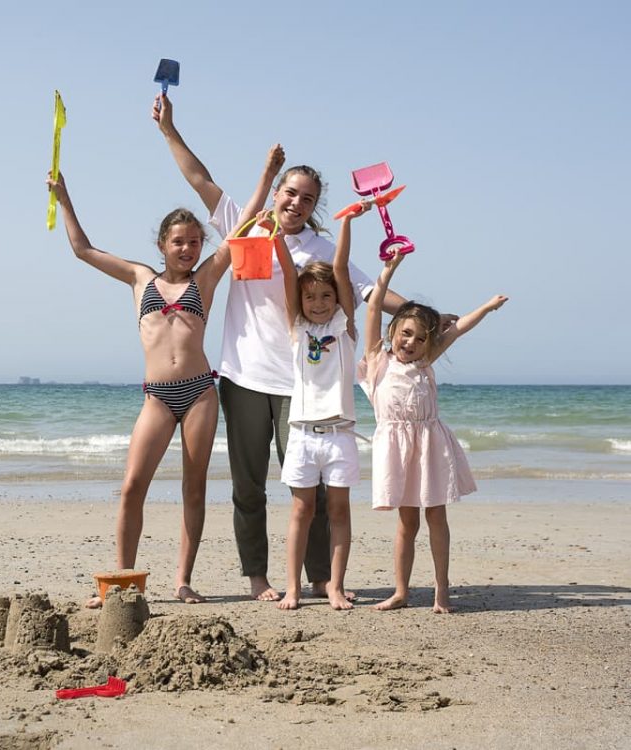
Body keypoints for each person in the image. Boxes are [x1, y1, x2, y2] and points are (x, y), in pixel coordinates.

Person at [152, 93, 408, 601]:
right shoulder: (242, 224)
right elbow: (199, 179)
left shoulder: (318, 249)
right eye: (290, 192)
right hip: (243, 376)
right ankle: (258, 577)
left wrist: (417, 311)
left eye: (307, 198)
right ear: (276, 192)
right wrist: (169, 131)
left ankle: (318, 576)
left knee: (307, 486)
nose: (295, 203)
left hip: (301, 385)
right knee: (248, 486)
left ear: (316, 207)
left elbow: (366, 291)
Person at [46, 143, 285, 606]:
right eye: (178, 242)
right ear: (162, 245)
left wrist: (267, 174)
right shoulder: (139, 278)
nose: (188, 248)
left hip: (199, 394)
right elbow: (82, 249)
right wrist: (64, 198)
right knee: (133, 486)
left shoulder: (208, 278)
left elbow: (244, 224)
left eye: (195, 242)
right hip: (157, 396)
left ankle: (182, 581)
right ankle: (120, 582)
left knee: (193, 489)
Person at [358, 249, 508, 613]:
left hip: (429, 445)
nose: (410, 343)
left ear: (428, 343)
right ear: (394, 332)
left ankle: (442, 591)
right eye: (406, 334)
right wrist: (388, 270)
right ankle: (400, 591)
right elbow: (374, 307)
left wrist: (486, 307)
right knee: (406, 523)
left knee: (436, 515)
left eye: (421, 338)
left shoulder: (426, 362)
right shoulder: (378, 361)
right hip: (396, 450)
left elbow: (457, 329)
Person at [264, 202, 373, 610]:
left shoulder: (344, 327)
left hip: (340, 435)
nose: (319, 302)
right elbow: (290, 274)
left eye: (326, 296)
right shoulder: (298, 327)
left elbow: (341, 269)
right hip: (303, 436)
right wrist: (275, 233)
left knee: (339, 512)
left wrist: (345, 223)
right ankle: (293, 587)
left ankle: (334, 585)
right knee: (301, 511)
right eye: (311, 297)